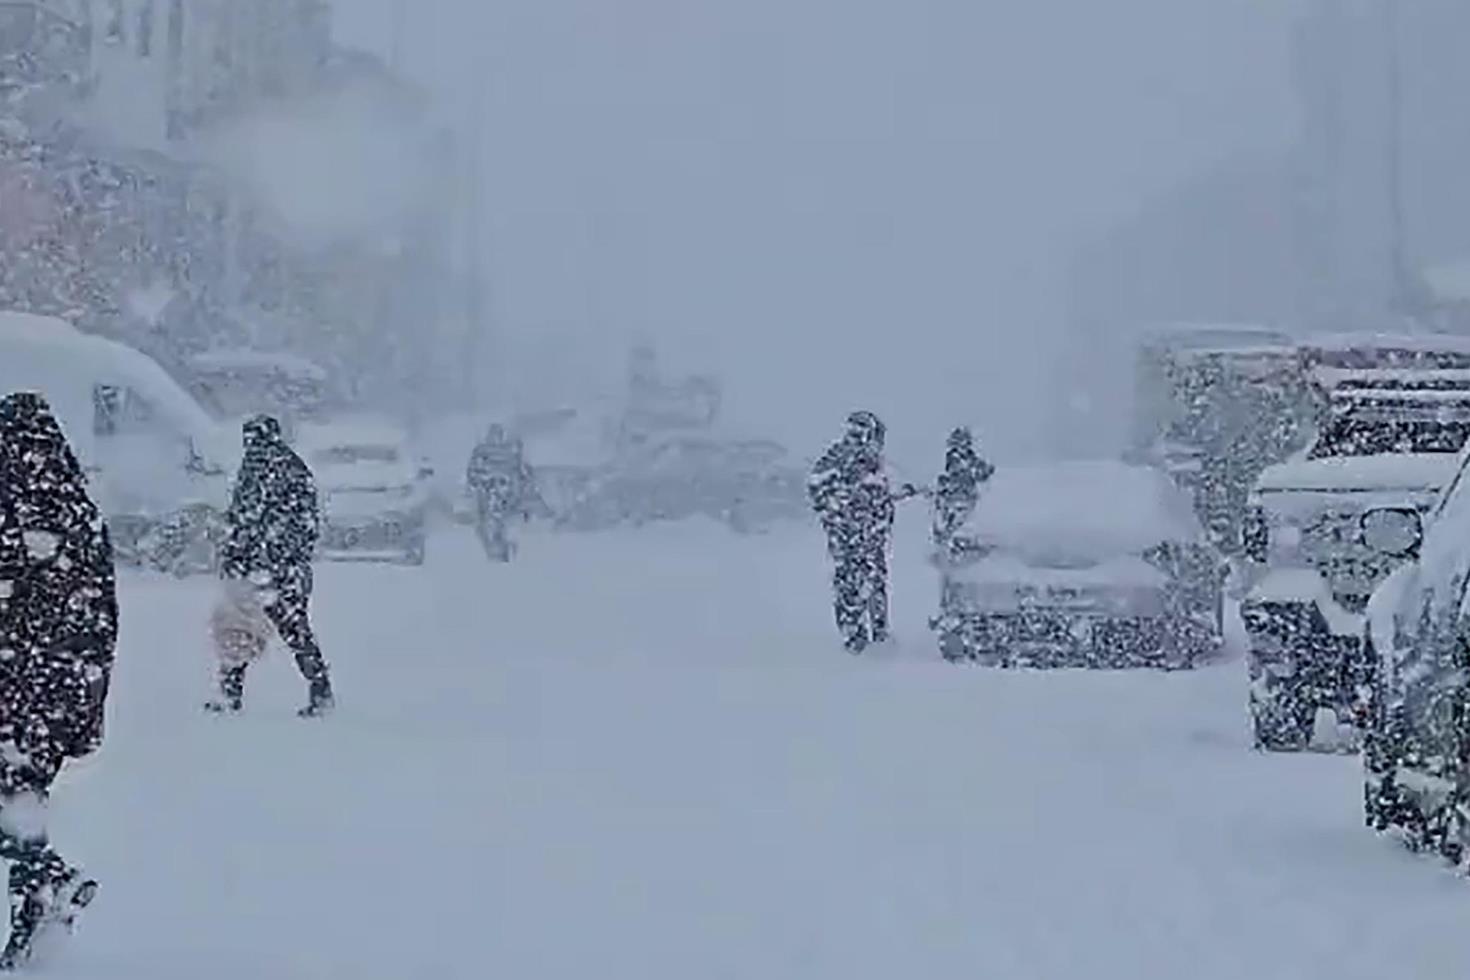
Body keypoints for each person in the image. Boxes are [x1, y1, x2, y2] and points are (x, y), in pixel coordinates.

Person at [0, 393, 116, 967]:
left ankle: (48, 879)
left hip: (17, 685)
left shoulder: (12, 512)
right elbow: (106, 620)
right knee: (21, 800)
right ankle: (35, 918)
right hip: (66, 689)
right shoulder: (85, 517)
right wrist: (90, 706)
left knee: (14, 802)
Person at [210, 415, 334, 717]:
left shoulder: (260, 468)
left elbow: (245, 518)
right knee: (291, 629)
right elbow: (304, 524)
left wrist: (240, 557)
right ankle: (320, 690)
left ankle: (231, 695)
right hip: (283, 568)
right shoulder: (292, 468)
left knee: (242, 627)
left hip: (265, 567)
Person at [809, 411, 901, 653]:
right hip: (851, 538)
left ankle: (877, 635)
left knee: (873, 584)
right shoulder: (839, 459)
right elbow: (819, 488)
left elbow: (883, 495)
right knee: (853, 585)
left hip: (870, 537)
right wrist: (839, 513)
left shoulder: (874, 464)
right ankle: (856, 639)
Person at [466, 425, 543, 562]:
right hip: (493, 496)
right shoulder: (484, 451)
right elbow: (473, 473)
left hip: (504, 498)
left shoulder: (505, 452)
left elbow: (521, 473)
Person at [932, 426, 994, 549]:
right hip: (955, 496)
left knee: (965, 518)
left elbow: (980, 473)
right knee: (953, 518)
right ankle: (947, 538)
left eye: (965, 443)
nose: (964, 446)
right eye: (960, 443)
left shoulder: (971, 458)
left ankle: (962, 540)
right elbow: (959, 470)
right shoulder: (954, 458)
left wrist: (986, 471)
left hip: (967, 496)